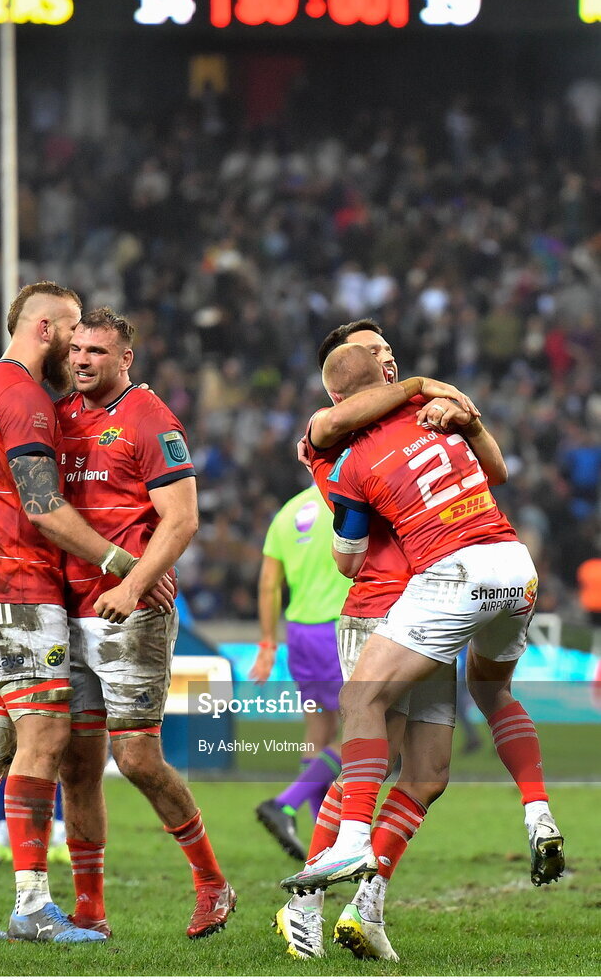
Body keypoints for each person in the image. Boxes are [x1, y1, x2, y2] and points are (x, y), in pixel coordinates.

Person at [0, 281, 172, 944]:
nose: (79, 348)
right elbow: (41, 504)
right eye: (70, 334)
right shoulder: (29, 398)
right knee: (45, 741)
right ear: (43, 331)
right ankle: (32, 904)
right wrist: (125, 565)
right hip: (18, 586)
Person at [282, 344, 564, 903]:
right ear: (382, 377)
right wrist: (447, 405)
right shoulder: (434, 414)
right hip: (513, 565)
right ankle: (538, 811)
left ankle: (351, 843)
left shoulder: (349, 460)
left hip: (440, 584)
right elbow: (497, 470)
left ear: (335, 394)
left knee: (363, 704)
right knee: (490, 692)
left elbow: (347, 558)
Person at [274, 320, 503, 961]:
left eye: (389, 350)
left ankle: (365, 906)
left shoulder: (414, 428)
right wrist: (427, 388)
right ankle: (304, 906)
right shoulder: (328, 435)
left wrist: (462, 419)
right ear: (343, 372)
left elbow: (495, 475)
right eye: (373, 352)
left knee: (427, 775)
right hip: (378, 611)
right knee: (371, 761)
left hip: (439, 606)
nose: (388, 359)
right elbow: (349, 556)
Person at [54, 307, 235, 940]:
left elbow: (182, 519)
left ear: (124, 359)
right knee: (76, 765)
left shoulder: (151, 419)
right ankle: (90, 910)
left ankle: (213, 883)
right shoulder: (58, 416)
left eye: (96, 352)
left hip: (132, 613)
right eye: (76, 349)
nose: (81, 360)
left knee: (135, 758)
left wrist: (133, 583)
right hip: (66, 611)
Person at [251, 483, 349, 861]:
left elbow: (268, 584)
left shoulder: (287, 512)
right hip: (338, 629)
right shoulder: (348, 502)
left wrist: (266, 643)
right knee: (369, 731)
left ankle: (323, 847)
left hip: (300, 634)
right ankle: (286, 803)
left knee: (319, 733)